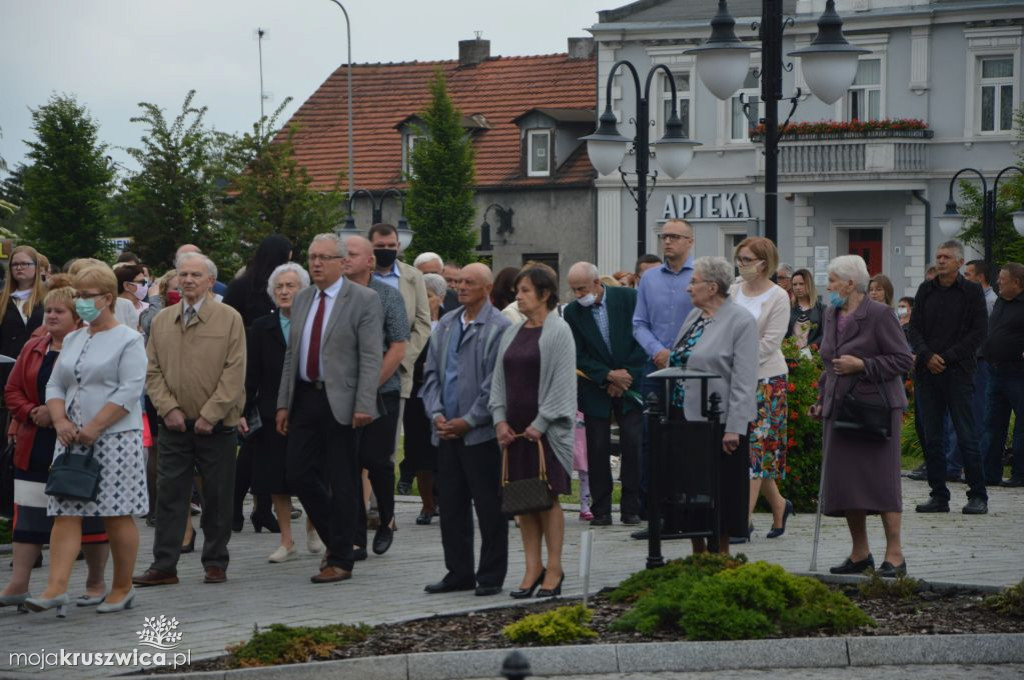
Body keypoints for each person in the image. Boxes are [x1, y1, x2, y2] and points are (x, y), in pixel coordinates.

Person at [25, 265, 148, 616]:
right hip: (71, 437)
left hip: (115, 438)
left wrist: (95, 426)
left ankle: (122, 587)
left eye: (86, 296)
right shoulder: (76, 337)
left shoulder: (128, 339)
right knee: (65, 511)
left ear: (107, 298)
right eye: (76, 296)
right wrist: (60, 419)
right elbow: (56, 384)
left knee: (115, 514)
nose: (80, 303)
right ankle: (55, 587)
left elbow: (129, 390)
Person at [133, 252, 247, 588]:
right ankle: (164, 565)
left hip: (217, 426)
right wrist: (168, 409)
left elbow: (234, 372)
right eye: (182, 274)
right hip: (174, 426)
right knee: (169, 496)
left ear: (211, 280)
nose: (188, 280)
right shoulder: (163, 320)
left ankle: (215, 562)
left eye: (196, 275)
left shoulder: (229, 319)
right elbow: (151, 370)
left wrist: (211, 414)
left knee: (217, 496)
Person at [276, 233, 382, 584]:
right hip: (306, 397)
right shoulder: (304, 297)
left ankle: (340, 559)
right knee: (297, 473)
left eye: (324, 257)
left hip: (343, 400)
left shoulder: (363, 299)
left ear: (341, 262)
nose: (317, 263)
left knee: (342, 479)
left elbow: (370, 355)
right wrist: (283, 404)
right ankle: (339, 538)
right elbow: (292, 353)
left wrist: (364, 402)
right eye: (312, 257)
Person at [1, 287, 110, 613]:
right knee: (29, 515)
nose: (50, 316)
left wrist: (57, 412)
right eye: (48, 310)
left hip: (76, 443)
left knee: (87, 516)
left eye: (58, 312)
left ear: (77, 317)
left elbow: (99, 392)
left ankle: (95, 582)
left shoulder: (92, 348)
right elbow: (12, 389)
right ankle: (19, 584)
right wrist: (33, 412)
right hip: (35, 440)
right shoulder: (34, 347)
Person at [812, 255, 913, 578]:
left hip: (875, 410)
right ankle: (860, 553)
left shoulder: (880, 314)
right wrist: (820, 399)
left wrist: (863, 366)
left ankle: (895, 554)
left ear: (850, 283)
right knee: (846, 484)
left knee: (880, 481)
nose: (827, 288)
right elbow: (830, 362)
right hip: (839, 407)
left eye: (831, 281)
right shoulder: (831, 313)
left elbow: (902, 360)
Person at [421, 263, 510, 596]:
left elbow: (494, 383)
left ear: (487, 288)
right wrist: (437, 415)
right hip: (446, 431)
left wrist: (469, 420)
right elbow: (430, 375)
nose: (460, 287)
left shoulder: (499, 326)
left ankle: (490, 575)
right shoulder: (445, 324)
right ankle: (458, 572)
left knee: (489, 507)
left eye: (469, 282)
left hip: (480, 435)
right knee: (453, 506)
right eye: (457, 282)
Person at [491, 266, 576, 599]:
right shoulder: (512, 332)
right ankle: (532, 567)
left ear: (544, 294)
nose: (518, 296)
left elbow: (562, 385)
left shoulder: (559, 331)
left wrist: (539, 425)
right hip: (513, 433)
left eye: (525, 290)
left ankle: (554, 567)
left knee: (547, 498)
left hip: (546, 433)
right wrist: (499, 419)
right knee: (524, 500)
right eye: (517, 290)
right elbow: (498, 380)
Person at [670, 256, 758, 554]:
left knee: (722, 495)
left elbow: (745, 380)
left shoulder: (741, 321)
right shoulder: (695, 317)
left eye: (693, 282)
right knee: (692, 493)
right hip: (685, 420)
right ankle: (697, 555)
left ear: (712, 287)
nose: (687, 288)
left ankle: (720, 558)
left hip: (720, 424)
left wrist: (735, 428)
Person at [242, 263, 321, 563]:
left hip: (310, 410)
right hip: (271, 411)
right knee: (275, 477)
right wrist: (245, 409)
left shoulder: (316, 322)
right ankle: (287, 540)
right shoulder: (262, 327)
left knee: (312, 473)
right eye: (280, 287)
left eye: (291, 286)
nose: (285, 292)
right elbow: (253, 374)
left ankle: (315, 527)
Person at [908, 240, 989, 515]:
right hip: (927, 373)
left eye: (946, 257)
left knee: (966, 435)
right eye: (938, 256)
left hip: (958, 373)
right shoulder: (925, 290)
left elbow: (978, 332)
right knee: (932, 437)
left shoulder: (971, 292)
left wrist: (948, 357)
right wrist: (927, 355)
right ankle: (938, 495)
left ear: (959, 262)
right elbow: (914, 328)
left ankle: (978, 495)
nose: (941, 260)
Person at [564, 262, 645, 527]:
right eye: (574, 290)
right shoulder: (573, 313)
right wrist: (608, 376)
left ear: (598, 283)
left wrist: (626, 375)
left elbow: (641, 337)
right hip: (596, 386)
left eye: (582, 288)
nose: (578, 294)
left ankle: (632, 507)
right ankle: (601, 509)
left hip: (630, 383)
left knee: (633, 444)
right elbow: (577, 354)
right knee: (597, 447)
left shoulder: (628, 298)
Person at [223, 235, 293, 535]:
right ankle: (243, 507)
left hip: (271, 371)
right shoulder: (246, 287)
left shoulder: (249, 286)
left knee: (263, 445)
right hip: (252, 371)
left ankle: (259, 508)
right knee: (255, 443)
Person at [344, 235, 408, 558]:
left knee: (376, 460)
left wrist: (368, 388)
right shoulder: (336, 296)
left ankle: (386, 517)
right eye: (341, 254)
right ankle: (355, 538)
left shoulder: (387, 296)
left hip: (383, 392)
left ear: (370, 261)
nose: (345, 259)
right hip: (343, 393)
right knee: (349, 464)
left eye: (352, 254)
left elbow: (398, 347)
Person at [633, 220, 695, 532]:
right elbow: (639, 322)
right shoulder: (649, 279)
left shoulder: (701, 276)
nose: (667, 242)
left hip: (692, 369)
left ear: (689, 241)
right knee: (651, 438)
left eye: (674, 237)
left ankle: (685, 510)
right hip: (655, 367)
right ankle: (654, 512)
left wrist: (680, 353)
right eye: (664, 236)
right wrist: (656, 350)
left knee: (685, 439)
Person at [730, 237, 793, 541]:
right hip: (733, 378)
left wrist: (737, 359)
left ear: (764, 263)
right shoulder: (732, 290)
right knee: (752, 449)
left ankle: (743, 519)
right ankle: (780, 505)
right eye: (739, 259)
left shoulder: (779, 296)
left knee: (755, 448)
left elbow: (770, 343)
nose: (741, 265)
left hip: (767, 380)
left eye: (747, 260)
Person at [403, 272, 447, 524]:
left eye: (429, 296)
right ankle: (427, 504)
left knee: (443, 449)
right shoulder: (412, 325)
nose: (425, 300)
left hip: (445, 396)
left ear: (440, 298)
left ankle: (445, 499)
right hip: (416, 394)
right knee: (419, 450)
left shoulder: (451, 322)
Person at [980, 263, 1024, 487]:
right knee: (992, 424)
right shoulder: (1000, 303)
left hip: (1018, 371)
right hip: (995, 371)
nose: (998, 282)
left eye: (1002, 279)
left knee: (1021, 426)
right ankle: (990, 473)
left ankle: (1020, 474)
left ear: (1016, 283)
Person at [0, 245, 46, 389]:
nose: (19, 268)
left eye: (25, 264)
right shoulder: (2, 300)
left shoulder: (49, 298)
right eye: (15, 264)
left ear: (36, 266)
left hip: (39, 368)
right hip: (6, 371)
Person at [787, 268, 824, 350]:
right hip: (790, 356)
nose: (797, 287)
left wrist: (810, 349)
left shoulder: (821, 309)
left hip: (813, 356)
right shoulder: (787, 308)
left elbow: (824, 334)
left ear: (809, 285)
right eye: (794, 284)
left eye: (801, 284)